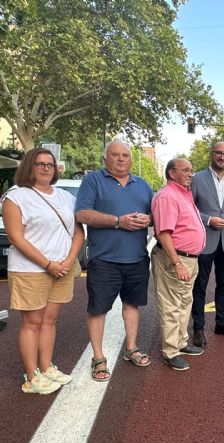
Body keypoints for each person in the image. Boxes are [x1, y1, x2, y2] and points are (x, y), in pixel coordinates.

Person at [3, 148, 85, 394]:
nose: (46, 168)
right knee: (32, 322)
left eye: (50, 164)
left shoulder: (66, 198)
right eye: (40, 164)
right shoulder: (16, 197)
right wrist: (48, 264)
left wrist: (69, 260)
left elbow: (78, 232)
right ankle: (31, 376)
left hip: (62, 268)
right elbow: (17, 238)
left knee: (50, 320)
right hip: (31, 270)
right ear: (30, 166)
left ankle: (46, 367)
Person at [75, 140, 153, 381]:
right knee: (98, 309)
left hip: (138, 257)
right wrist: (118, 221)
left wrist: (148, 219)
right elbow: (82, 214)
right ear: (105, 158)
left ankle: (131, 347)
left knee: (132, 305)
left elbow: (155, 214)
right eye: (115, 155)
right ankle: (98, 358)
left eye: (125, 155)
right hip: (104, 259)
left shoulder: (143, 185)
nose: (121, 159)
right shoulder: (93, 181)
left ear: (131, 159)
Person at [152, 159, 206, 371]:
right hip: (175, 259)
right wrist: (177, 263)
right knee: (171, 305)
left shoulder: (184, 193)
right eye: (185, 170)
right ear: (172, 173)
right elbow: (163, 233)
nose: (190, 174)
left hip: (189, 259)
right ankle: (170, 351)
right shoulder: (167, 196)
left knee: (184, 302)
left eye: (191, 170)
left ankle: (181, 342)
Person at [190, 141, 224, 347]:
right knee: (200, 286)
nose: (222, 157)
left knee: (223, 285)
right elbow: (191, 208)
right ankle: (198, 329)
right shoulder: (197, 179)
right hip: (204, 241)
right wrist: (208, 220)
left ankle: (221, 323)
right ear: (212, 154)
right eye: (219, 153)